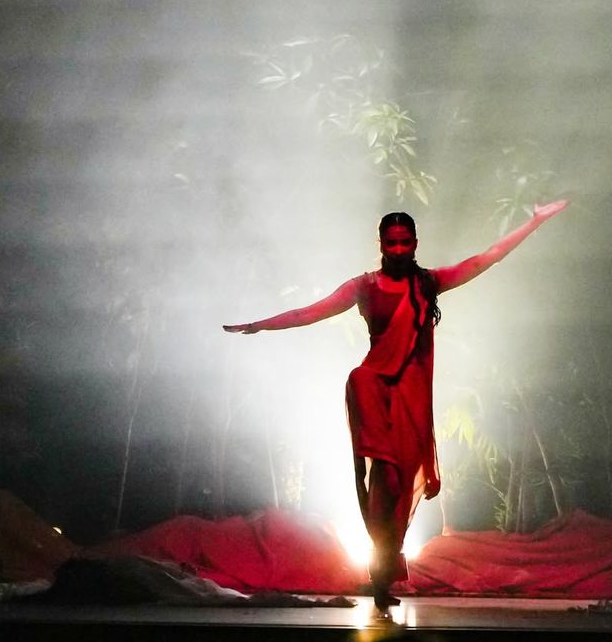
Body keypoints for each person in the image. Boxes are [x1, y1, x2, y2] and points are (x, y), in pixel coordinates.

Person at [223, 199, 568, 613]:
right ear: (381, 244)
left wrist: (534, 222)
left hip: (410, 396)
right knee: (383, 475)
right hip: (372, 385)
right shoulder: (364, 286)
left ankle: (383, 575)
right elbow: (310, 312)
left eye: (406, 242)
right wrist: (261, 325)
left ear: (416, 243)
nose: (399, 250)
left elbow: (485, 259)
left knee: (399, 487)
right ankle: (380, 570)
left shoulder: (427, 284)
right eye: (392, 243)